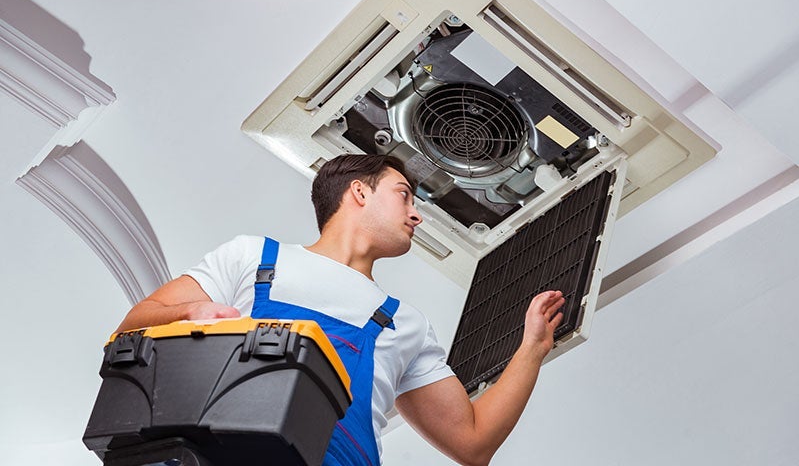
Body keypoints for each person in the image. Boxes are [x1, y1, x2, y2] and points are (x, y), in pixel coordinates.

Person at [116, 154, 564, 466]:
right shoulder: (253, 259)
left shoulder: (404, 323)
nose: (417, 215)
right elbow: (131, 327)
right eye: (404, 195)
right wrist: (195, 311)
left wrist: (531, 350)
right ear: (359, 192)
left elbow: (473, 443)